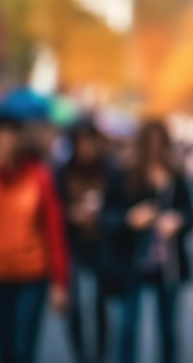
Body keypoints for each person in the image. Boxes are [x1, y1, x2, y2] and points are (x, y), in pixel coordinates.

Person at [101, 120, 193, 363]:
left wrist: (179, 221)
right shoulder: (124, 174)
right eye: (149, 145)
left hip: (167, 263)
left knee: (168, 330)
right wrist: (129, 219)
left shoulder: (175, 175)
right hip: (131, 261)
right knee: (127, 328)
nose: (154, 150)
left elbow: (192, 215)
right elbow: (107, 215)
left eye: (159, 144)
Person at [0, 117, 69, 363]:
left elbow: (54, 229)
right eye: (0, 141)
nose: (6, 146)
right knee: (2, 346)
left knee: (23, 348)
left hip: (32, 274)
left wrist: (60, 281)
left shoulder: (39, 176)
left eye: (10, 139)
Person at [56, 119, 112, 363]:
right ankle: (80, 355)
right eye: (82, 142)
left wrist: (101, 214)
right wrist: (70, 214)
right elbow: (54, 209)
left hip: (101, 243)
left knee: (101, 304)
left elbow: (118, 203)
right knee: (75, 305)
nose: (87, 148)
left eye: (92, 142)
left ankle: (100, 354)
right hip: (74, 243)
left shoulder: (109, 171)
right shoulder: (62, 172)